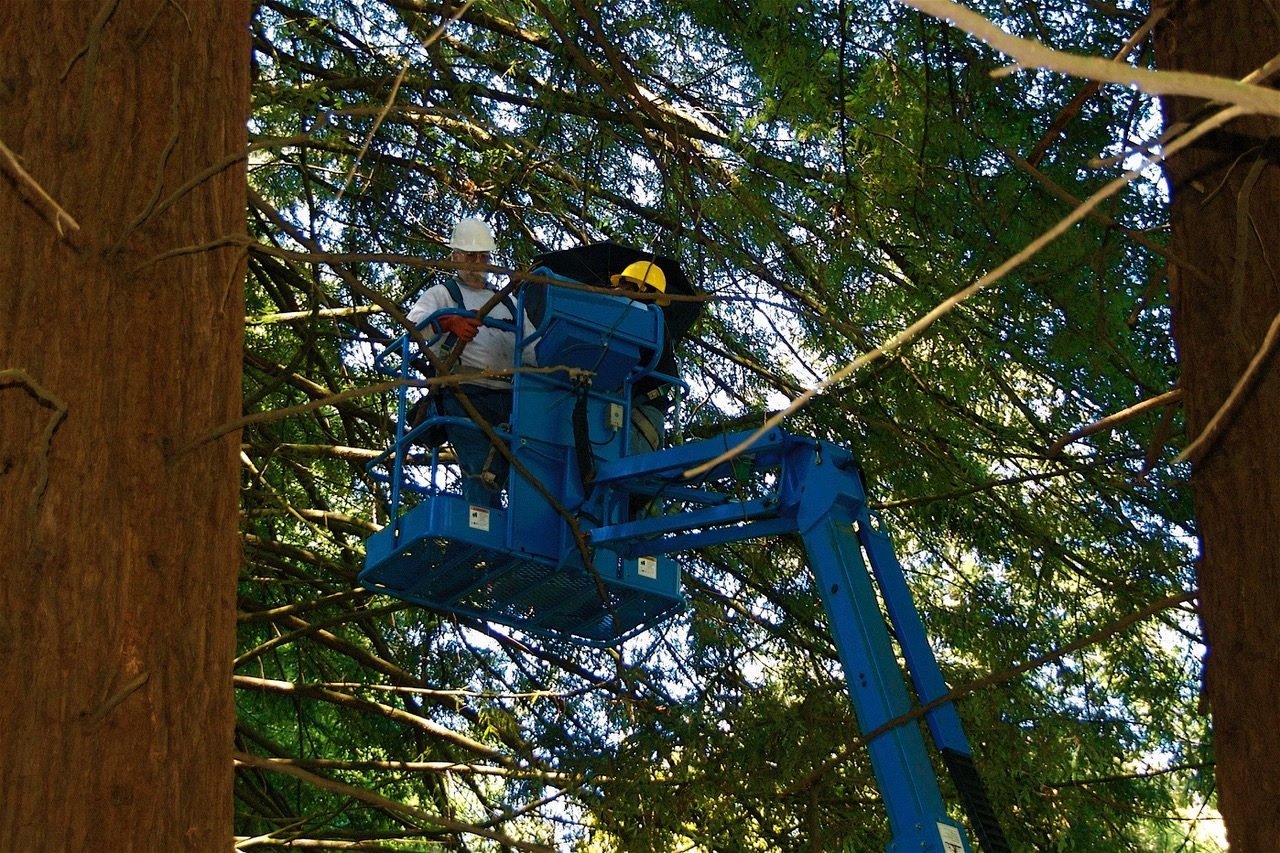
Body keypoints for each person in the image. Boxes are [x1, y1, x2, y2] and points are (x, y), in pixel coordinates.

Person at [407, 216, 536, 507]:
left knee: (524, 472)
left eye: (482, 256)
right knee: (482, 471)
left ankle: (510, 527)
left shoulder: (509, 303)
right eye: (470, 255)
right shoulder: (442, 294)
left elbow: (533, 351)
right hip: (466, 394)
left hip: (510, 399)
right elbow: (414, 325)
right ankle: (481, 525)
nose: (477, 263)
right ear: (455, 256)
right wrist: (446, 321)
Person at [609, 260, 674, 454]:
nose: (618, 290)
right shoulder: (649, 321)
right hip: (638, 414)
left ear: (641, 289)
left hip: (640, 417)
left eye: (624, 286)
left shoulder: (647, 320)